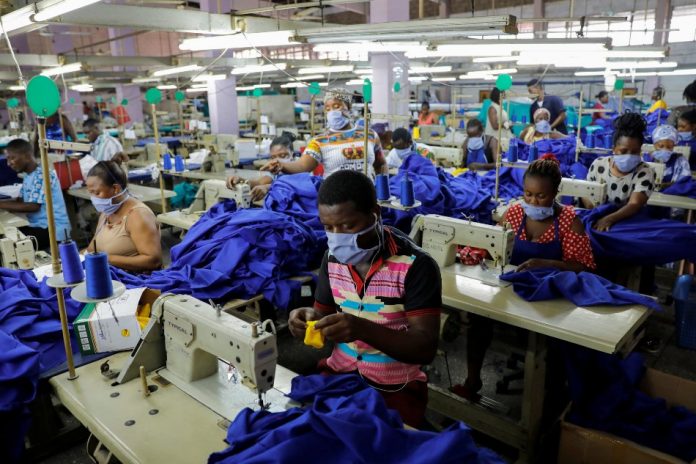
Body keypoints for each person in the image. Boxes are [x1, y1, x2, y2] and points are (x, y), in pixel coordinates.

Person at [288, 170, 441, 427]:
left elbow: (424, 349)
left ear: (375, 215)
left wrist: (361, 328)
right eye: (328, 227)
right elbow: (323, 317)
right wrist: (307, 320)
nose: (337, 237)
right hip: (338, 376)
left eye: (348, 226)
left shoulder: (416, 265)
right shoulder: (331, 259)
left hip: (395, 388)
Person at [455, 156, 596, 399]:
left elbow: (585, 267)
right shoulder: (516, 212)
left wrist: (548, 264)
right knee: (479, 315)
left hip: (550, 296)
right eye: (528, 193)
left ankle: (549, 399)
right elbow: (496, 245)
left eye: (541, 196)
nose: (532, 200)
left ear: (555, 193)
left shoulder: (569, 222)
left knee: (552, 344)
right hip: (514, 287)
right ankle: (472, 380)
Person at [260, 88, 385, 178]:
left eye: (336, 106)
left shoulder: (370, 135)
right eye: (328, 108)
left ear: (349, 107)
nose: (331, 112)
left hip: (367, 196)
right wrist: (281, 165)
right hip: (335, 200)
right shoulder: (319, 141)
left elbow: (381, 164)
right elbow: (302, 166)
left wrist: (382, 189)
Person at [84, 161, 162, 272]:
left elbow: (153, 261)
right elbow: (91, 250)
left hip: (137, 282)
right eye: (90, 193)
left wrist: (106, 259)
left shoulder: (138, 215)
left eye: (96, 193)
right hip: (110, 276)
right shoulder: (106, 213)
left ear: (115, 189)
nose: (93, 198)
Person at [585, 113, 656, 231]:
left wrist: (609, 219)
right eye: (623, 151)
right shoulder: (599, 165)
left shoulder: (645, 172)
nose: (629, 155)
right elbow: (586, 193)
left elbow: (634, 204)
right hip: (598, 217)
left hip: (628, 222)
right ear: (614, 149)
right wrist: (594, 213)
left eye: (634, 152)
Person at [0, 139, 71, 249]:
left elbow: (32, 206)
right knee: (6, 235)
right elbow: (20, 201)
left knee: (9, 246)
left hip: (53, 230)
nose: (9, 163)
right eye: (8, 159)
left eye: (12, 158)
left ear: (27, 156)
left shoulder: (42, 174)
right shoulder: (29, 176)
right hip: (39, 227)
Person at [226, 135, 293, 201]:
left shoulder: (300, 172)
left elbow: (293, 186)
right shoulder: (275, 173)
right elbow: (259, 183)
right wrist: (241, 181)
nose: (277, 160)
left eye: (283, 156)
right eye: (273, 157)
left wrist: (268, 187)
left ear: (292, 154)